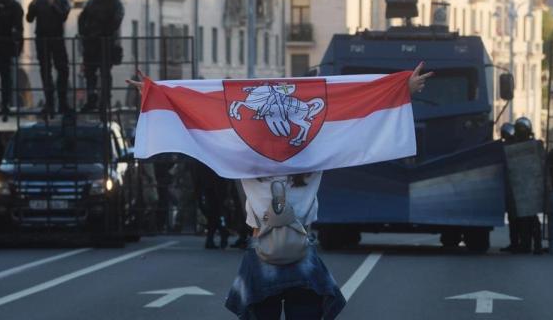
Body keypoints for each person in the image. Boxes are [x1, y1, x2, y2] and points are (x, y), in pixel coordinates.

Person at [127, 63, 431, 319]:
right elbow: (359, 118)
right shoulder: (317, 152)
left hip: (261, 250)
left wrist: (155, 96)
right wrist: (403, 90)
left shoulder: (242, 156)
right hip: (302, 250)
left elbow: (207, 113)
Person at [26, 0, 71, 115]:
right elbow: (29, 18)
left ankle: (62, 103)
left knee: (63, 70)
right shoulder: (37, 2)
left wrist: (53, 5)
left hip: (57, 39)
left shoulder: (61, 2)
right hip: (42, 40)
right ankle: (49, 103)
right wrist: (32, 5)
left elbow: (63, 15)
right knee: (45, 72)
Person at [78, 0, 124, 113]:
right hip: (101, 44)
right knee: (99, 74)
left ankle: (98, 100)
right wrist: (92, 35)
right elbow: (115, 22)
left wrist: (88, 34)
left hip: (100, 44)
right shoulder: (109, 4)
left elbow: (82, 21)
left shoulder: (93, 3)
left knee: (95, 74)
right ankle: (101, 100)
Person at [512, 117, 543, 254]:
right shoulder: (512, 145)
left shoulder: (534, 145)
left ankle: (536, 245)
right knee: (520, 217)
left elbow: (541, 162)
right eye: (520, 129)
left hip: (531, 184)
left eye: (523, 129)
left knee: (531, 217)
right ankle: (523, 244)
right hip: (518, 184)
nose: (522, 131)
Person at [499, 122, 520, 253]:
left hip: (514, 186)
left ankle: (518, 243)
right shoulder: (504, 147)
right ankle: (518, 243)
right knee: (515, 217)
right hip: (512, 186)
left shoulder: (517, 146)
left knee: (516, 217)